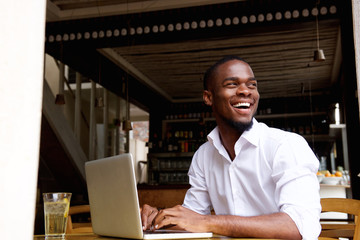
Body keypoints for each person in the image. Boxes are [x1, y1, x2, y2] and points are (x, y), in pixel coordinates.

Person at [141, 56, 321, 240]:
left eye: (252, 85)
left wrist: (209, 222)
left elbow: (299, 226)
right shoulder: (203, 155)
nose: (245, 91)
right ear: (208, 97)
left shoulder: (286, 145)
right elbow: (193, 218)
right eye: (232, 84)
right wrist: (158, 219)